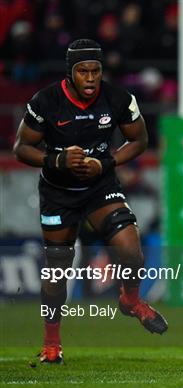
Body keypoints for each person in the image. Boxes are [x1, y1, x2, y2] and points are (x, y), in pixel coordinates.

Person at [12, 39, 168, 364]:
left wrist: (106, 162)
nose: (90, 78)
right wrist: (58, 160)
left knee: (130, 249)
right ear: (70, 73)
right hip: (58, 194)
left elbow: (139, 139)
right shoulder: (46, 101)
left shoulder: (118, 97)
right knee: (57, 272)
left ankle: (130, 300)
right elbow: (21, 148)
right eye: (83, 71)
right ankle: (51, 343)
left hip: (100, 187)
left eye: (95, 71)